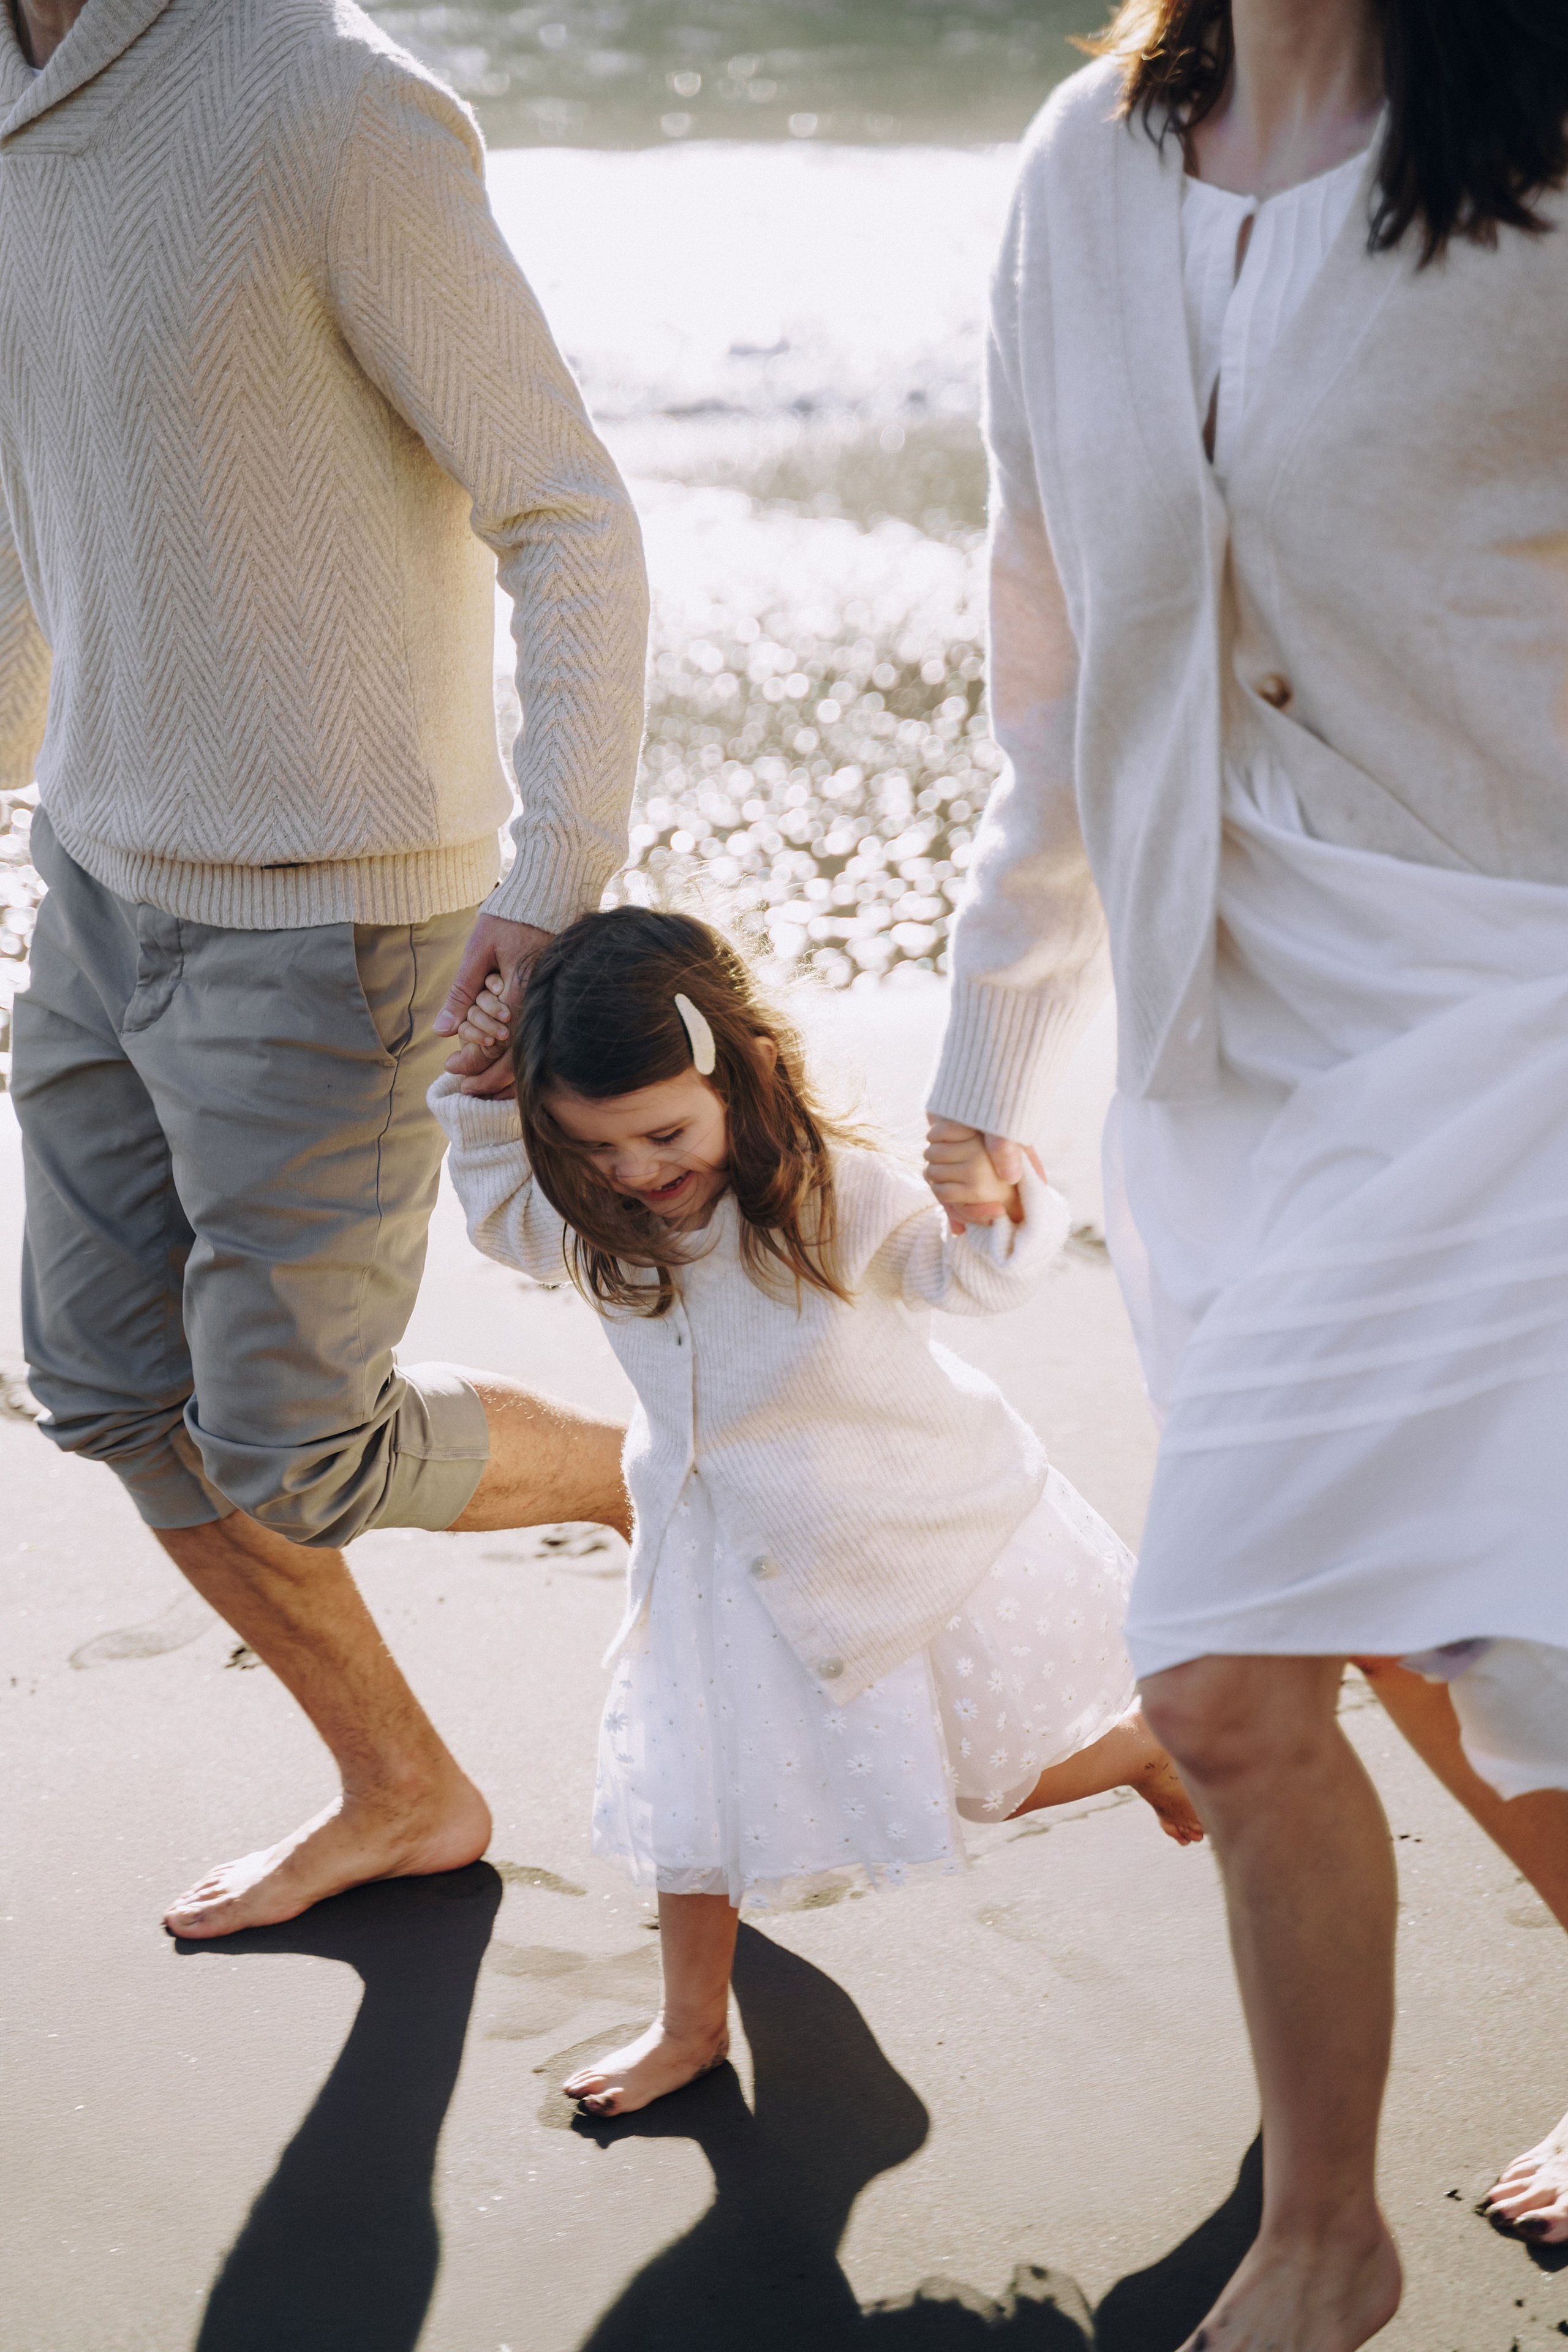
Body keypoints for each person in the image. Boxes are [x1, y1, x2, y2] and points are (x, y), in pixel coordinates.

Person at [923, 1, 1568, 2343]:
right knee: (1418, 1616)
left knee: (1223, 1664)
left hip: (1512, 1005)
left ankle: (1326, 2246)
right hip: (1225, 1034)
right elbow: (1054, 651)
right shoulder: (1084, 167)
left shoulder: (1540, 151)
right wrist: (995, 1039)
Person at [0, 0, 647, 1937]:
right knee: (108, 1389)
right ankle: (403, 1785)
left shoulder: (332, 99)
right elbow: (39, 499)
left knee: (301, 1453)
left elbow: (566, 509)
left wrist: (555, 872)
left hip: (336, 917)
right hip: (94, 877)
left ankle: (678, 1467)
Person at [431, 906, 1201, 2116]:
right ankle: (689, 2029)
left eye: (664, 1134)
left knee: (981, 1784)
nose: (635, 1171)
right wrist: (478, 1085)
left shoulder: (829, 1197)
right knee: (692, 1806)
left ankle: (1141, 1748)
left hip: (891, 1545)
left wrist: (994, 1202)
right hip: (710, 1569)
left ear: (745, 1070)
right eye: (594, 1146)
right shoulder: (598, 1220)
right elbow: (496, 1210)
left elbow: (964, 1277)